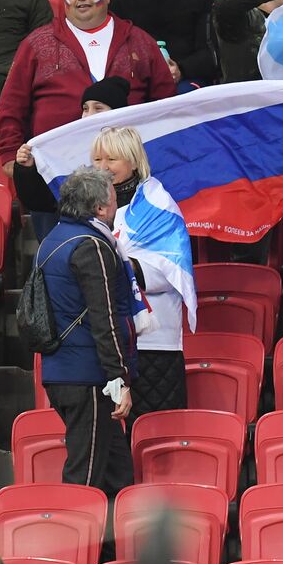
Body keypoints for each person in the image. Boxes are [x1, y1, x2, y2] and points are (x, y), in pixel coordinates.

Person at [0, 0, 175, 175]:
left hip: (127, 171)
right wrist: (10, 155)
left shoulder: (140, 42)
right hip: (53, 172)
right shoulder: (36, 43)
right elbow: (12, 104)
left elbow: (166, 104)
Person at [35, 166, 135, 496]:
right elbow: (104, 317)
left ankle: (110, 550)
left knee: (117, 472)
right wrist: (118, 378)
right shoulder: (91, 245)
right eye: (111, 198)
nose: (116, 204)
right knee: (86, 478)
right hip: (88, 378)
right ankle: (68, 547)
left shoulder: (52, 238)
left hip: (60, 372)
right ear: (99, 208)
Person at [89, 127, 187, 418]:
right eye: (97, 159)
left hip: (153, 342)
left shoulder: (160, 207)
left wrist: (123, 266)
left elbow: (171, 270)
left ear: (133, 161)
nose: (103, 167)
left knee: (155, 439)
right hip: (104, 346)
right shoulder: (85, 209)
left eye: (112, 159)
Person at [12, 76, 131, 219]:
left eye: (98, 109)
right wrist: (27, 170)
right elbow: (41, 201)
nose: (89, 115)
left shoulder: (136, 146)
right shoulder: (68, 153)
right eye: (85, 109)